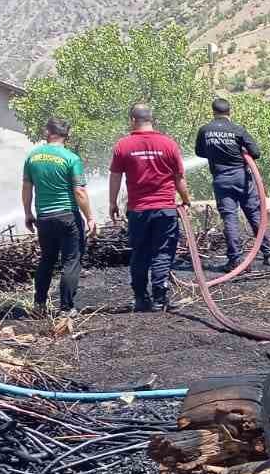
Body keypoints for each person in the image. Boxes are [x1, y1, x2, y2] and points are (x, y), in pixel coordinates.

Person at [108, 103, 190, 312]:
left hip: (138, 210)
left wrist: (113, 202)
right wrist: (185, 199)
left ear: (132, 120)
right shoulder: (168, 144)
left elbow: (115, 177)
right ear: (152, 120)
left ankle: (140, 298)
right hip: (165, 209)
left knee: (140, 252)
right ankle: (160, 299)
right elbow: (179, 177)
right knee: (163, 252)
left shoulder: (123, 146)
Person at [22, 117, 96, 316]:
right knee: (71, 261)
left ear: (48, 132)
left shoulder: (32, 157)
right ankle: (66, 308)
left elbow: (27, 187)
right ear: (67, 135)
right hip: (67, 216)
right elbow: (79, 192)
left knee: (47, 260)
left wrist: (28, 213)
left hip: (44, 218)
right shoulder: (71, 158)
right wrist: (89, 217)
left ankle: (39, 305)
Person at [195, 97, 270, 271]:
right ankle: (269, 254)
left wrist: (216, 153)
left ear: (213, 112)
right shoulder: (238, 130)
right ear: (229, 112)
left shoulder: (205, 130)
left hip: (222, 179)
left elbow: (199, 152)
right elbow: (256, 153)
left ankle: (235, 260)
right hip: (242, 178)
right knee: (254, 214)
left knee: (230, 219)